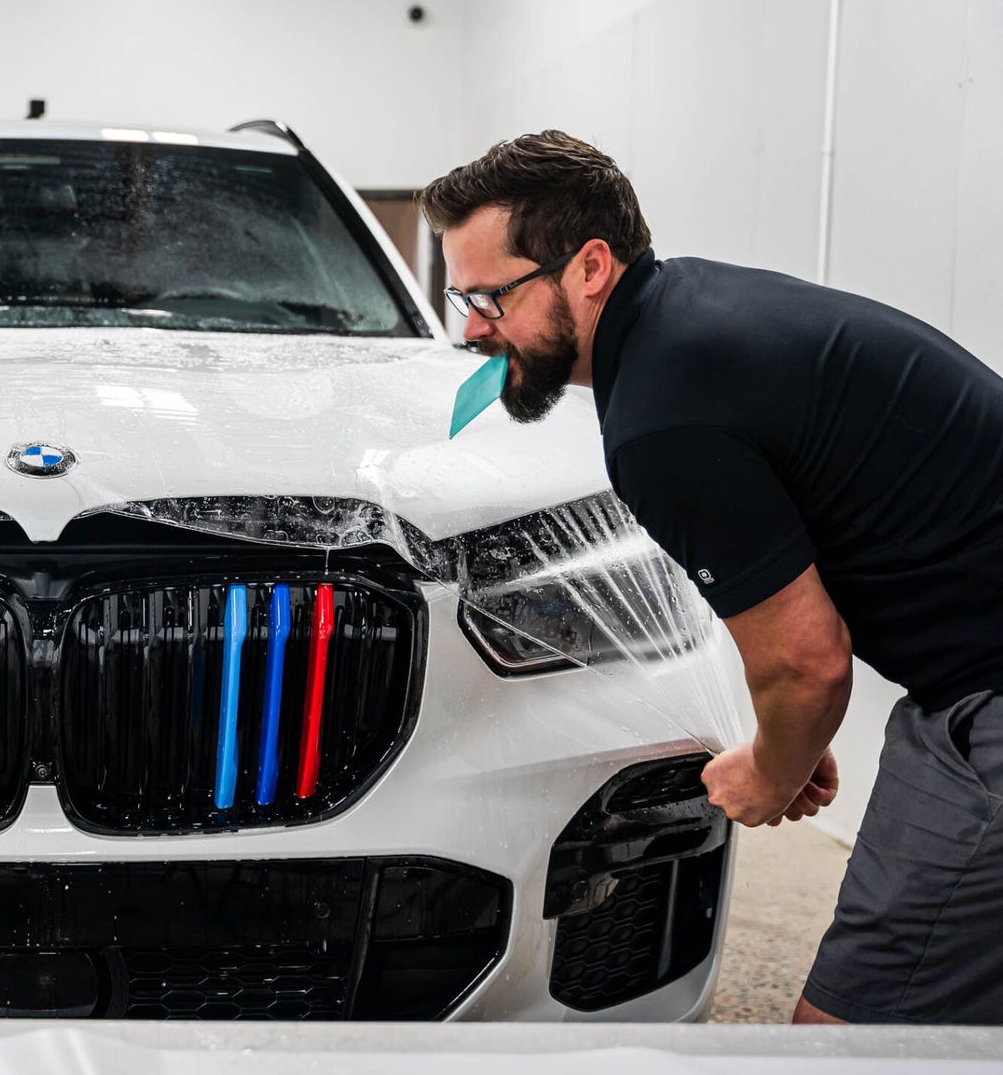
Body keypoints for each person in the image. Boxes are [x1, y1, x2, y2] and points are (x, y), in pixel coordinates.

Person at [417, 130, 1003, 1025]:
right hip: (963, 686)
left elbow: (809, 665)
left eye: (490, 297)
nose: (471, 330)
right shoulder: (691, 316)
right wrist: (788, 741)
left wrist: (768, 775)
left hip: (986, 704)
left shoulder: (663, 416)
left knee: (843, 1041)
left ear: (590, 268)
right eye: (462, 298)